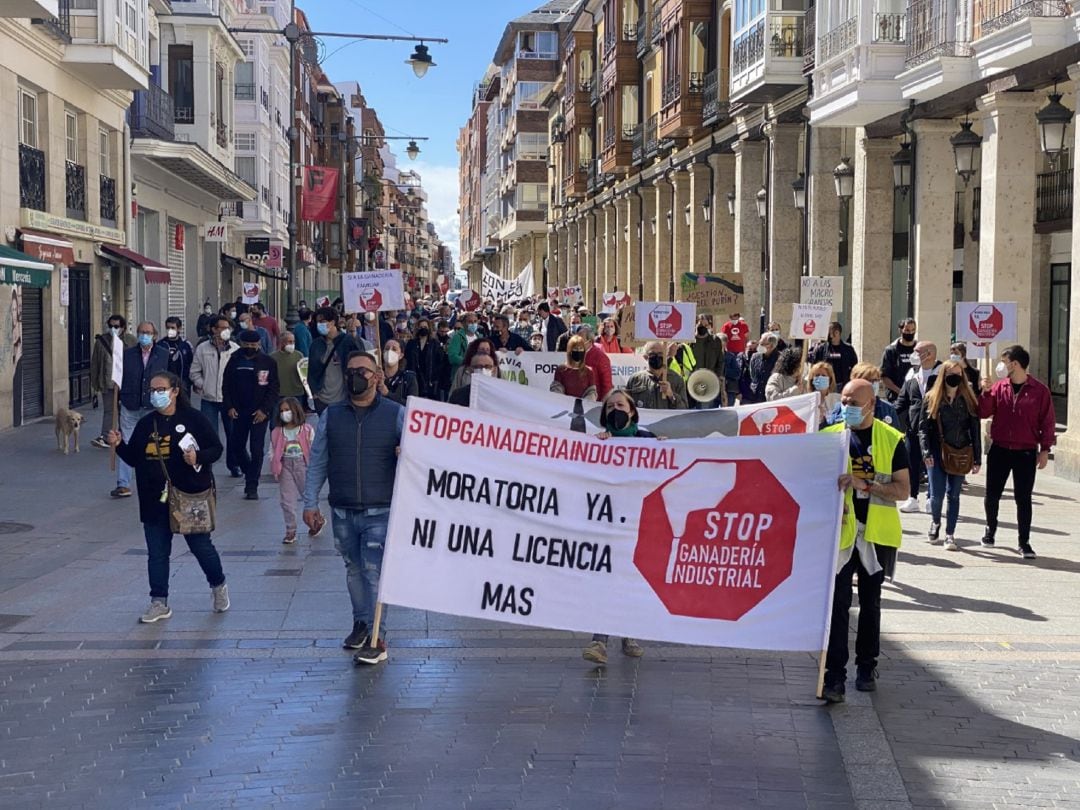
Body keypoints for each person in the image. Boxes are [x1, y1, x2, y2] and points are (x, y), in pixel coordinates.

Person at [303, 351, 404, 664]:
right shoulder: (331, 416)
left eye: (363, 370)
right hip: (343, 507)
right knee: (353, 568)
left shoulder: (396, 413)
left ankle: (377, 636)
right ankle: (361, 622)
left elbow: (417, 459)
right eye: (350, 371)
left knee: (374, 572)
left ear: (376, 377)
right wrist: (310, 502)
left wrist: (406, 453)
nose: (355, 375)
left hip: (380, 507)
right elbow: (318, 460)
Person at [107, 370, 229, 623]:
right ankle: (158, 601)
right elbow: (134, 458)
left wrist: (198, 457)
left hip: (189, 495)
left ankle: (218, 585)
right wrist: (118, 445)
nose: (156, 394)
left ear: (175, 391)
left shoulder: (193, 419)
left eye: (161, 389)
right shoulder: (145, 424)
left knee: (200, 546)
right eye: (152, 390)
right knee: (157, 552)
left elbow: (216, 448)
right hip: (154, 498)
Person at [821, 379, 909, 703]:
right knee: (838, 606)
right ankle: (834, 678)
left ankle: (866, 666)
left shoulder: (891, 440)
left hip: (875, 535)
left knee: (871, 604)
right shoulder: (830, 438)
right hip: (842, 536)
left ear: (871, 404)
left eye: (853, 404)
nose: (847, 408)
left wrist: (866, 485)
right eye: (843, 401)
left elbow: (903, 490)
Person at [581, 388, 651, 665]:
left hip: (637, 524)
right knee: (608, 580)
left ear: (632, 411)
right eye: (610, 408)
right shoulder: (598, 442)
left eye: (620, 405)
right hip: (606, 524)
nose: (615, 411)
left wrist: (670, 450)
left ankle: (628, 632)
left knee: (630, 579)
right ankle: (599, 641)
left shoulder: (648, 441)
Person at [978, 345, 1056, 559]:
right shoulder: (999, 387)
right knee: (992, 495)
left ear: (1015, 364)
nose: (1001, 366)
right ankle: (990, 530)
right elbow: (983, 412)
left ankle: (1024, 541)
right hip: (1000, 449)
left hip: (1025, 451)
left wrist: (1045, 449)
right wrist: (984, 392)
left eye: (1004, 361)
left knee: (1023, 498)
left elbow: (1047, 421)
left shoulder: (1040, 391)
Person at [919, 361, 982, 551]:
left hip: (960, 452)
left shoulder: (968, 399)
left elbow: (975, 430)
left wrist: (977, 458)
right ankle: (936, 521)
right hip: (937, 453)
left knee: (954, 494)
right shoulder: (932, 398)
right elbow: (922, 429)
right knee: (937, 495)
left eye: (958, 373)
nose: (954, 377)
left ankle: (950, 534)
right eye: (950, 373)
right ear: (943, 376)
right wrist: (926, 452)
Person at [113, 322, 170, 498]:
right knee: (126, 442)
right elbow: (119, 378)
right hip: (130, 404)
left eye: (147, 332)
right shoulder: (128, 355)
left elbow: (170, 379)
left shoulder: (163, 355)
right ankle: (123, 483)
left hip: (153, 405)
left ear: (154, 335)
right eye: (141, 332)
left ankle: (155, 478)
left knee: (154, 443)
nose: (144, 335)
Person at [222, 329, 280, 500]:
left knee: (256, 449)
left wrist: (265, 410)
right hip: (238, 412)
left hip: (259, 413)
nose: (250, 347)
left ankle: (252, 485)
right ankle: (250, 471)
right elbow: (226, 385)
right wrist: (229, 406)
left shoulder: (267, 362)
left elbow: (273, 388)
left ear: (259, 344)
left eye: (253, 345)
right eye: (247, 345)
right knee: (236, 446)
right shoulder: (234, 359)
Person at [190, 317, 241, 476]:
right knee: (209, 434)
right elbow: (194, 371)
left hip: (230, 400)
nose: (226, 330)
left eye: (228, 327)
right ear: (213, 329)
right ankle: (208, 466)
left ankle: (233, 465)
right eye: (222, 327)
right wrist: (203, 384)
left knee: (233, 434)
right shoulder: (203, 348)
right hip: (209, 399)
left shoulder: (234, 348)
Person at [896, 341, 940, 513]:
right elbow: (902, 400)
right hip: (913, 427)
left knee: (932, 463)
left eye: (917, 351)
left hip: (935, 428)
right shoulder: (911, 374)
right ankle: (912, 497)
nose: (913, 354)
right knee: (912, 463)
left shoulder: (942, 372)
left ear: (929, 354)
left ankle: (932, 497)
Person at [270, 396, 316, 545]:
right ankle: (290, 530)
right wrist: (274, 464)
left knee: (308, 496)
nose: (284, 413)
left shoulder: (307, 430)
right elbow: (272, 449)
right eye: (282, 411)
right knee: (287, 500)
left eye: (287, 410)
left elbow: (314, 449)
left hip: (303, 465)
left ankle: (316, 520)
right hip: (285, 467)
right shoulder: (277, 431)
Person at [90, 314, 136, 449]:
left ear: (123, 327)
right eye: (110, 326)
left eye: (116, 326)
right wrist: (95, 383)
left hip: (126, 383)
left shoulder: (131, 341)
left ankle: (124, 436)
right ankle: (105, 436)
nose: (113, 329)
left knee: (125, 411)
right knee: (109, 411)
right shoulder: (101, 341)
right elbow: (95, 364)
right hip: (108, 382)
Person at [309, 307, 360, 414]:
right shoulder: (316, 344)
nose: (319, 325)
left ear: (332, 322)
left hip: (343, 398)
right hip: (321, 399)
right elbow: (312, 370)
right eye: (317, 322)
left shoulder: (347, 341)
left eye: (322, 322)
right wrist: (314, 393)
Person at [826, 362, 900, 429]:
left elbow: (896, 435)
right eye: (867, 380)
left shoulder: (888, 409)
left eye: (875, 380)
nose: (872, 384)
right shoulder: (840, 408)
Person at [625, 341, 688, 409]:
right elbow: (627, 407)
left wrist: (671, 395)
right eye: (652, 354)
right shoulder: (635, 379)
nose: (657, 357)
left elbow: (684, 409)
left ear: (666, 356)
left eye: (660, 354)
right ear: (645, 357)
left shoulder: (677, 380)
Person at [404, 316, 447, 400]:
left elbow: (440, 361)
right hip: (415, 378)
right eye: (420, 327)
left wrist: (435, 377)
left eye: (425, 327)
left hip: (430, 380)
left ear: (429, 328)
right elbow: (407, 359)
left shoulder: (435, 344)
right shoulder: (411, 343)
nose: (423, 329)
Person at [690, 316, 727, 408]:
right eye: (700, 323)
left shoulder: (715, 340)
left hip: (709, 379)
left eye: (705, 324)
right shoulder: (690, 341)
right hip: (692, 379)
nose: (702, 325)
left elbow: (720, 360)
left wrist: (717, 376)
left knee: (706, 408)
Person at [811, 321, 859, 388]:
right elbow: (814, 366)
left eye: (831, 332)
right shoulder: (821, 348)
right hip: (826, 384)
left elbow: (855, 367)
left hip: (842, 384)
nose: (829, 335)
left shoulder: (848, 349)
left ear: (837, 332)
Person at [880, 318, 918, 402]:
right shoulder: (891, 350)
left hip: (916, 396)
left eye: (913, 330)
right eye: (907, 330)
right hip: (896, 397)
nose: (910, 333)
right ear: (901, 330)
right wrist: (901, 392)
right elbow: (884, 376)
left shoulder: (919, 349)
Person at [551, 335, 598, 400]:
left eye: (580, 349)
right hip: (564, 407)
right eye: (575, 349)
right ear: (570, 351)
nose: (578, 351)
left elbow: (592, 393)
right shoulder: (561, 370)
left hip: (582, 408)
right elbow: (556, 390)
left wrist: (583, 404)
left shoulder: (589, 371)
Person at [576, 323, 612, 402]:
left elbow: (607, 386)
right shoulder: (574, 354)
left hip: (593, 404)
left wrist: (600, 406)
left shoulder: (601, 357)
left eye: (581, 339)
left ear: (590, 340)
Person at [159, 317, 194, 394]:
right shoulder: (160, 345)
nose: (170, 330)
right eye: (168, 328)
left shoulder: (186, 345)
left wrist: (191, 381)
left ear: (179, 329)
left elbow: (192, 364)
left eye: (172, 328)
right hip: (166, 386)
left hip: (184, 385)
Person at [378, 339, 418, 405]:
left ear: (401, 355)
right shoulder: (376, 376)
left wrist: (388, 394)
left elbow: (412, 405)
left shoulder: (409, 378)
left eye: (394, 349)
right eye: (387, 349)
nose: (389, 351)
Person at [271, 332, 306, 405]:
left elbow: (304, 374)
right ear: (282, 342)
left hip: (296, 392)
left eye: (293, 341)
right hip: (280, 393)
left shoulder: (299, 355)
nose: (292, 344)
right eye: (290, 342)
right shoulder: (273, 357)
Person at [747, 333, 780, 403]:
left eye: (762, 344)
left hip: (771, 398)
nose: (759, 346)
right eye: (759, 343)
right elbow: (752, 376)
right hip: (755, 397)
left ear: (771, 346)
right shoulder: (755, 356)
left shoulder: (780, 359)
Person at [808, 360, 841, 427]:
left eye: (823, 375)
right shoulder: (807, 400)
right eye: (817, 375)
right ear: (812, 380)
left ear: (830, 380)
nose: (820, 377)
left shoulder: (838, 399)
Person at [447, 312, 479, 379]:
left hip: (476, 375)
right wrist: (468, 362)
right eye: (470, 322)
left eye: (475, 321)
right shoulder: (458, 337)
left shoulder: (479, 337)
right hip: (462, 375)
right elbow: (452, 356)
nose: (473, 324)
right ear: (463, 324)